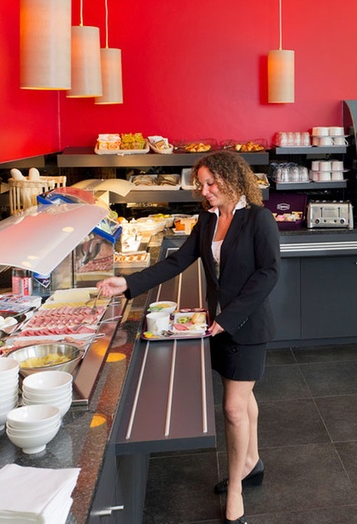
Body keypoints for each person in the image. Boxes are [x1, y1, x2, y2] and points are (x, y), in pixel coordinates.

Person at [96, 150, 280, 524]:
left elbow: (268, 274)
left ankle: (235, 490)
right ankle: (252, 461)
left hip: (246, 325)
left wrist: (229, 318)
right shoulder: (207, 220)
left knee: (232, 407)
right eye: (201, 184)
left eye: (211, 183)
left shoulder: (259, 219)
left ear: (232, 179)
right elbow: (177, 261)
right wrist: (128, 283)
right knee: (242, 395)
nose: (205, 190)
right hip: (218, 323)